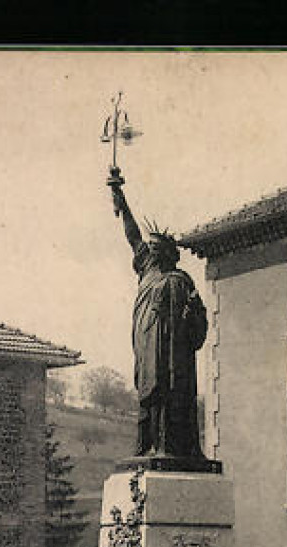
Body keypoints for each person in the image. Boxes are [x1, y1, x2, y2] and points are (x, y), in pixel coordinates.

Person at [108, 169, 208, 458]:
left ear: (167, 252)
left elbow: (196, 325)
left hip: (173, 355)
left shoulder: (180, 280)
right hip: (147, 346)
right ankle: (146, 446)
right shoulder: (148, 270)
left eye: (154, 248)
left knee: (171, 395)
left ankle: (171, 448)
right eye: (149, 248)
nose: (149, 251)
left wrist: (193, 314)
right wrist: (120, 198)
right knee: (148, 394)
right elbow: (132, 236)